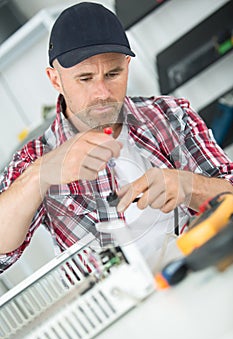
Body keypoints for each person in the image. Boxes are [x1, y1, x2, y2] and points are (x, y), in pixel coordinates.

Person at [0, 2, 233, 273]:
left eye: (113, 74)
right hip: (115, 305)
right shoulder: (33, 158)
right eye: (85, 78)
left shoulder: (171, 114)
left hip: (198, 272)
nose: (102, 93)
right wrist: (40, 174)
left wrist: (190, 186)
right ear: (55, 80)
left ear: (127, 66)